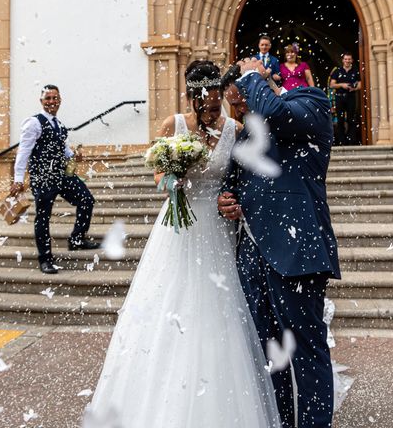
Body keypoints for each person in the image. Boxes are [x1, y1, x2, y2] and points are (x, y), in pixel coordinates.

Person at [84, 61, 281, 428]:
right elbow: (158, 170)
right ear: (191, 96)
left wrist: (233, 201)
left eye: (214, 99)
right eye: (202, 100)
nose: (209, 106)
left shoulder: (235, 130)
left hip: (217, 231)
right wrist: (169, 184)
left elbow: (239, 179)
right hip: (177, 229)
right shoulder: (172, 126)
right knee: (170, 300)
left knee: (218, 303)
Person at [218, 57, 341, 428]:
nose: (240, 111)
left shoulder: (311, 102)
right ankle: (282, 422)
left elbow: (275, 112)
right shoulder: (248, 131)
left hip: (297, 251)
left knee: (306, 351)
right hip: (253, 256)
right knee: (272, 354)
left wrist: (254, 75)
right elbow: (234, 179)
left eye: (241, 101)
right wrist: (228, 200)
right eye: (233, 106)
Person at [9, 85, 99, 275]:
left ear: (60, 100)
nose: (52, 101)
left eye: (55, 98)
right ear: (41, 101)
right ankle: (45, 259)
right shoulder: (33, 123)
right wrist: (18, 179)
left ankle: (77, 240)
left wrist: (72, 155)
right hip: (43, 177)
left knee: (86, 200)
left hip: (62, 175)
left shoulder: (58, 123)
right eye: (48, 98)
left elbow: (61, 145)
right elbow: (23, 152)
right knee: (43, 217)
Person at [329, 53, 361, 145]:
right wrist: (342, 85)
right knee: (340, 119)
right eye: (345, 59)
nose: (347, 61)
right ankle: (341, 141)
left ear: (352, 61)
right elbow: (332, 84)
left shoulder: (355, 71)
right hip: (339, 97)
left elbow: (360, 84)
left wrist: (354, 88)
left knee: (351, 119)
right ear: (343, 60)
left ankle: (351, 140)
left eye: (349, 59)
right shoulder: (337, 71)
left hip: (351, 97)